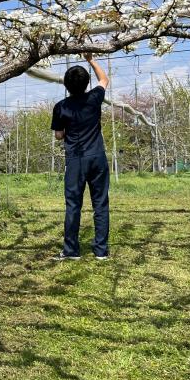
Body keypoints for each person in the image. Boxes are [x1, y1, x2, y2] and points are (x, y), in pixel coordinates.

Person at [50, 54, 111, 261]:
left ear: (66, 85)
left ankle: (71, 250)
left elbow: (59, 135)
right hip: (97, 157)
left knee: (73, 205)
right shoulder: (94, 98)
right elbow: (104, 80)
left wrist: (70, 131)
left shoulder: (61, 107)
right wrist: (91, 59)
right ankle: (101, 251)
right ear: (86, 84)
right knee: (100, 204)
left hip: (75, 159)